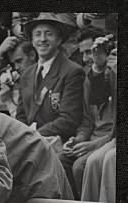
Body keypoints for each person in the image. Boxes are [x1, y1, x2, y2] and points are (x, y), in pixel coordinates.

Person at [59, 33, 115, 198]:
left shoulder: (114, 74)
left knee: (81, 166)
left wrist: (93, 145)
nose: (87, 58)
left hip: (108, 141)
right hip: (92, 141)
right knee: (61, 159)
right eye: (85, 53)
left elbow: (115, 131)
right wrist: (78, 140)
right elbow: (87, 122)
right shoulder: (88, 80)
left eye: (92, 52)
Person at [16, 13, 85, 142]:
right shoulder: (26, 74)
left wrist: (33, 135)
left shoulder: (72, 71)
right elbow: (21, 116)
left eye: (48, 34)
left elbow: (69, 120)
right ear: (32, 41)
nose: (42, 39)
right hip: (30, 141)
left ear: (59, 39)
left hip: (58, 141)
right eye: (37, 34)